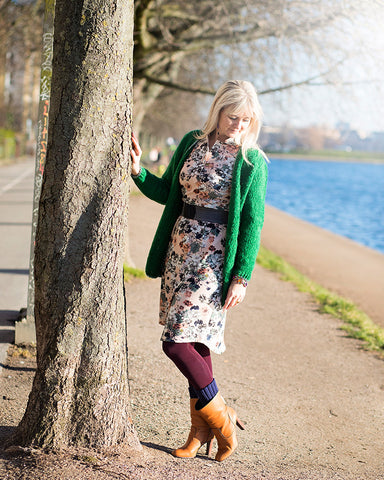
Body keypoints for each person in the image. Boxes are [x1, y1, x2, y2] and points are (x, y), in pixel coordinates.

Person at [130, 80, 268, 462]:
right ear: (218, 112)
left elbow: (254, 224)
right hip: (179, 251)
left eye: (246, 119)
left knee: (175, 342)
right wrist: (138, 171)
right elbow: (167, 193)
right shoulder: (192, 141)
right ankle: (200, 430)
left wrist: (242, 278)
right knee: (195, 343)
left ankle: (221, 418)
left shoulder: (252, 162)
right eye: (232, 116)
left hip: (213, 261)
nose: (238, 124)